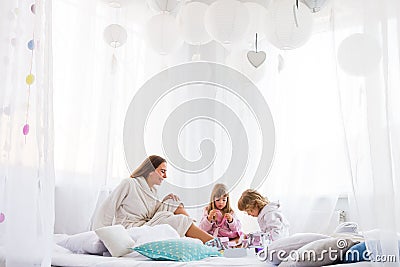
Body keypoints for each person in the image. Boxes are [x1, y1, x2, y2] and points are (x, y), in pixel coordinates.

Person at [93, 155, 214, 243]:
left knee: (173, 201)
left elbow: (152, 214)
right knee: (178, 220)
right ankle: (214, 243)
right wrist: (105, 237)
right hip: (131, 228)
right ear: (151, 171)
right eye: (162, 171)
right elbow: (107, 207)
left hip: (146, 223)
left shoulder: (152, 191)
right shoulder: (129, 184)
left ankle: (199, 232)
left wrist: (165, 200)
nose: (165, 176)